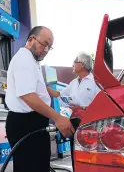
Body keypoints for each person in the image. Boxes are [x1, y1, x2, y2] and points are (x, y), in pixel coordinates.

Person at [5, 26, 75, 172]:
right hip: (25, 124)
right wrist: (57, 118)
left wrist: (52, 93)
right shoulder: (24, 59)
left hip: (32, 123)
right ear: (30, 40)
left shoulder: (31, 61)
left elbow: (35, 89)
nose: (46, 49)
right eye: (44, 44)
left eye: (49, 47)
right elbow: (28, 95)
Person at [47, 52, 101, 171]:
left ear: (81, 64)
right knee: (75, 154)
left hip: (90, 125)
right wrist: (42, 86)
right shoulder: (73, 83)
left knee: (89, 157)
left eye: (74, 62)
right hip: (75, 123)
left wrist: (82, 108)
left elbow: (101, 103)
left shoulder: (95, 82)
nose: (72, 65)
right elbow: (58, 94)